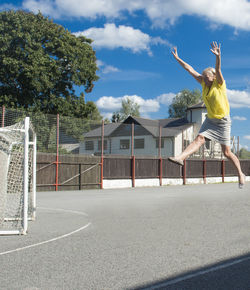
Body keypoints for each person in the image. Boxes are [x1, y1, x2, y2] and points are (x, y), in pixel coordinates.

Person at [169, 41, 245, 188]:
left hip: (223, 121)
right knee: (199, 138)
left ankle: (240, 173)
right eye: (202, 76)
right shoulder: (204, 83)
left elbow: (218, 68)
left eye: (206, 76)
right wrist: (178, 59)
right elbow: (190, 70)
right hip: (210, 120)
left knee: (227, 153)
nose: (203, 78)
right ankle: (180, 157)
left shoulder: (220, 84)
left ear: (213, 76)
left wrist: (218, 56)